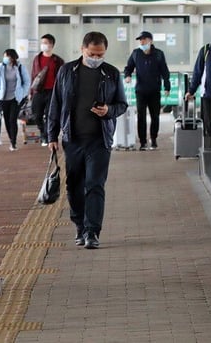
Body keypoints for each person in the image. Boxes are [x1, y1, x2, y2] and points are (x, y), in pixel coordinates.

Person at [45, 31, 128, 250]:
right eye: (92, 54)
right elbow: (56, 104)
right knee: (74, 185)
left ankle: (92, 231)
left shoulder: (111, 73)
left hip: (100, 140)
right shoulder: (66, 71)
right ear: (82, 49)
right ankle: (80, 226)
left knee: (95, 184)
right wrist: (51, 136)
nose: (96, 58)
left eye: (100, 55)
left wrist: (109, 110)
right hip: (72, 139)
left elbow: (122, 105)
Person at [123, 30, 171, 150]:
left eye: (144, 39)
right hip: (141, 90)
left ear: (150, 41)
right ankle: (143, 142)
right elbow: (128, 67)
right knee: (141, 116)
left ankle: (153, 139)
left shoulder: (158, 54)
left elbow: (164, 71)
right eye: (140, 40)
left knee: (155, 116)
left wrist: (167, 86)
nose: (142, 42)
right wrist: (127, 76)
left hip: (155, 90)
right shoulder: (136, 54)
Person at [0, 48, 30, 152]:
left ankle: (13, 142)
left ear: (12, 57)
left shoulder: (20, 67)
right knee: (7, 120)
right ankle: (11, 138)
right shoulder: (0, 68)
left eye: (7, 56)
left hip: (15, 98)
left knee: (13, 119)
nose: (5, 58)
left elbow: (27, 82)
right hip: (3, 98)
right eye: (4, 56)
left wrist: (23, 93)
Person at [30, 34, 65, 145]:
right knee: (36, 115)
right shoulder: (37, 59)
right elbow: (33, 76)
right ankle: (43, 132)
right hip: (39, 91)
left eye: (45, 43)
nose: (43, 45)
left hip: (53, 92)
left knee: (51, 115)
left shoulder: (58, 60)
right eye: (42, 43)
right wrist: (31, 92)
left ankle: (46, 136)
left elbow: (62, 78)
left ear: (51, 45)